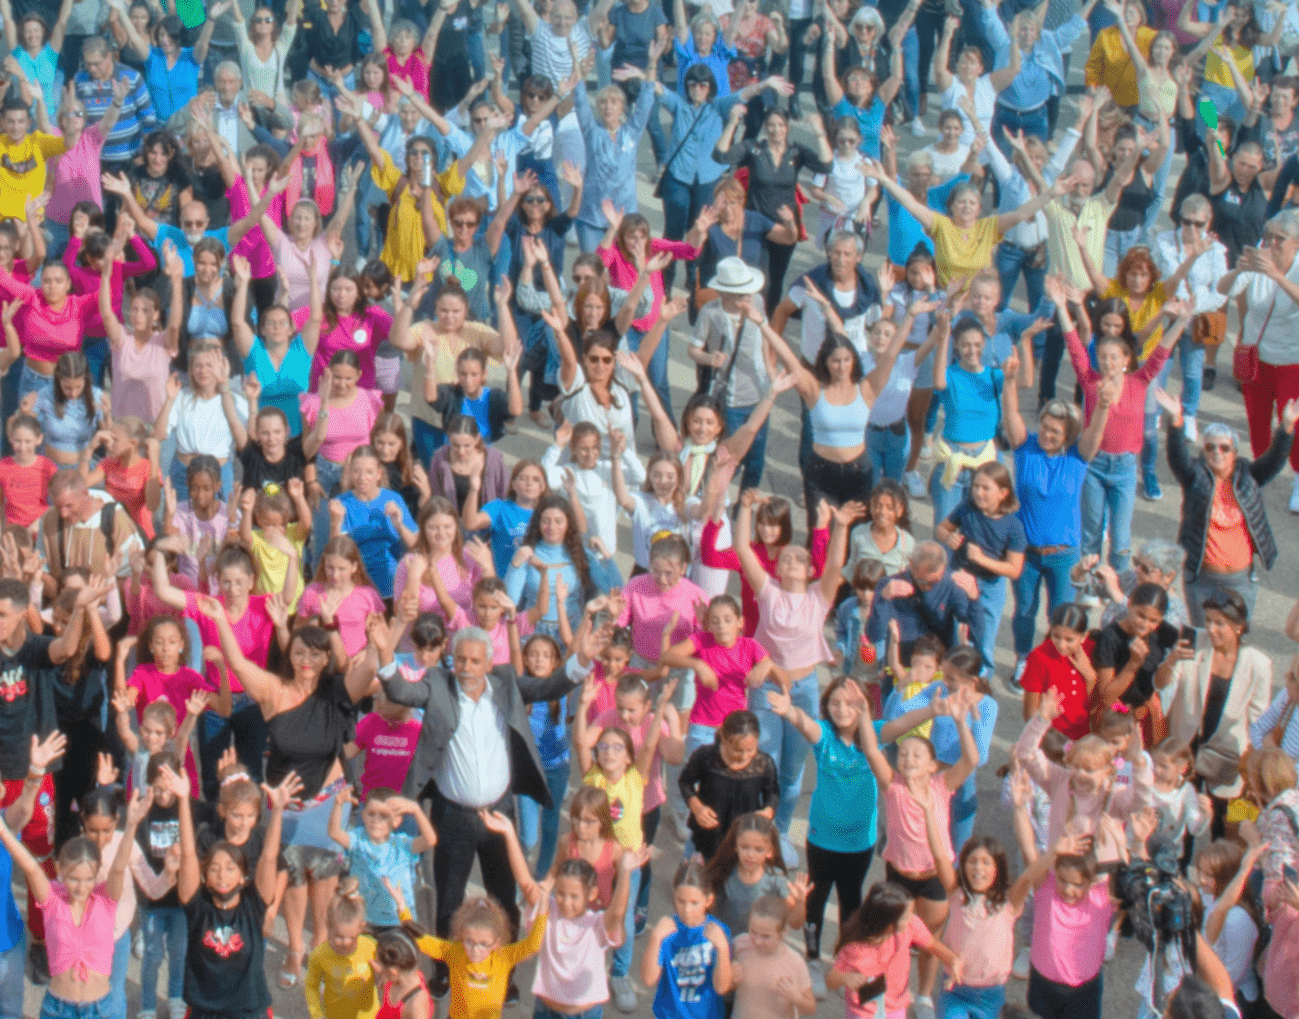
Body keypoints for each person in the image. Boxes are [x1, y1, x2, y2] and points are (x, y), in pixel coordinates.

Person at [375, 622, 597, 998]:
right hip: (453, 813)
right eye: (460, 659)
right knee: (449, 897)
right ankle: (445, 972)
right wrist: (383, 651)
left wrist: (583, 658)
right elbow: (399, 690)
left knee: (503, 896)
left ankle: (504, 974)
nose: (466, 667)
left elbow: (548, 687)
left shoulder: (506, 681)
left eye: (475, 660)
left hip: (499, 813)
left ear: (488, 662)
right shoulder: (438, 683)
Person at [1000, 347, 1107, 687]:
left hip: (1064, 555)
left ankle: (1053, 666)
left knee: (1060, 616)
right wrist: (1010, 382)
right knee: (1025, 611)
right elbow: (1011, 414)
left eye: (1055, 432)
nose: (1046, 434)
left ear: (1068, 436)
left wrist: (1103, 405)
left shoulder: (1078, 457)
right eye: (1044, 427)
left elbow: (1096, 434)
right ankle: (1021, 659)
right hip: (1026, 552)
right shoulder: (1025, 447)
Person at [1153, 387, 1296, 621]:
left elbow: (1275, 460)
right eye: (1210, 447)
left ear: (1235, 453)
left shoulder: (1250, 476)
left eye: (1225, 447)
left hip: (1239, 581)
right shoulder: (1194, 476)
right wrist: (1176, 419)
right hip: (1202, 580)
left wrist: (1287, 425)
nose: (1217, 452)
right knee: (1202, 639)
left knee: (1235, 642)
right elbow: (1177, 457)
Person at [1162, 588, 1273, 836]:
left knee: (1227, 825)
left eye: (1219, 623)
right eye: (1208, 620)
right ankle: (1179, 867)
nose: (1211, 629)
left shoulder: (1259, 665)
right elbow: (1161, 685)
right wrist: (1171, 662)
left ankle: (1221, 869)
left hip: (1228, 757)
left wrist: (1253, 767)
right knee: (1180, 818)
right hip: (1186, 746)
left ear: (1238, 627)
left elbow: (1259, 721)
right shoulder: (1192, 640)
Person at [1217, 209, 1299, 512]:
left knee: (1292, 424)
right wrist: (1239, 270)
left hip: (1292, 359)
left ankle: (1298, 481)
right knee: (1258, 420)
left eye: (1281, 239)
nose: (1272, 244)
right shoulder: (1258, 262)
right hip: (1256, 358)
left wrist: (1277, 275)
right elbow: (1222, 290)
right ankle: (1260, 477)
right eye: (1270, 237)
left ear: (1296, 243)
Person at [712, 105, 832, 307]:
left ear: (787, 127)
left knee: (776, 278)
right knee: (759, 275)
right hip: (756, 224)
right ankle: (751, 316)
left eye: (780, 125)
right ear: (765, 128)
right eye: (771, 125)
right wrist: (733, 123)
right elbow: (720, 156)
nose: (776, 130)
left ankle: (769, 322)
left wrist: (820, 132)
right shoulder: (754, 148)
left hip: (785, 225)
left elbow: (826, 165)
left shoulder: (796, 152)